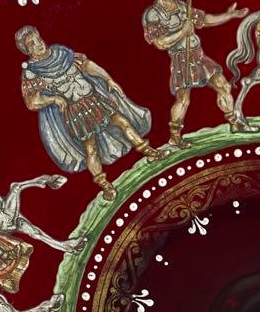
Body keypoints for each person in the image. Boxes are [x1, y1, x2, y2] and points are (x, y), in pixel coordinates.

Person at [16, 25, 156, 200]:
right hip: (76, 113)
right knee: (91, 149)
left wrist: (109, 80)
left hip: (93, 99)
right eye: (32, 44)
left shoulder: (62, 54)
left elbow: (88, 66)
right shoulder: (32, 73)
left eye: (38, 39)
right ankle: (106, 186)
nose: (38, 44)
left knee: (123, 122)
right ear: (26, 50)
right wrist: (53, 99)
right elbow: (32, 101)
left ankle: (149, 152)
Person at [142, 0, 248, 148]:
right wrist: (182, 32)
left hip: (198, 55)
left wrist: (229, 15)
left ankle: (234, 123)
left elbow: (205, 20)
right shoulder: (154, 13)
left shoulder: (183, 6)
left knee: (223, 85)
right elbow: (160, 42)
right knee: (184, 99)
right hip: (181, 58)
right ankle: (175, 136)